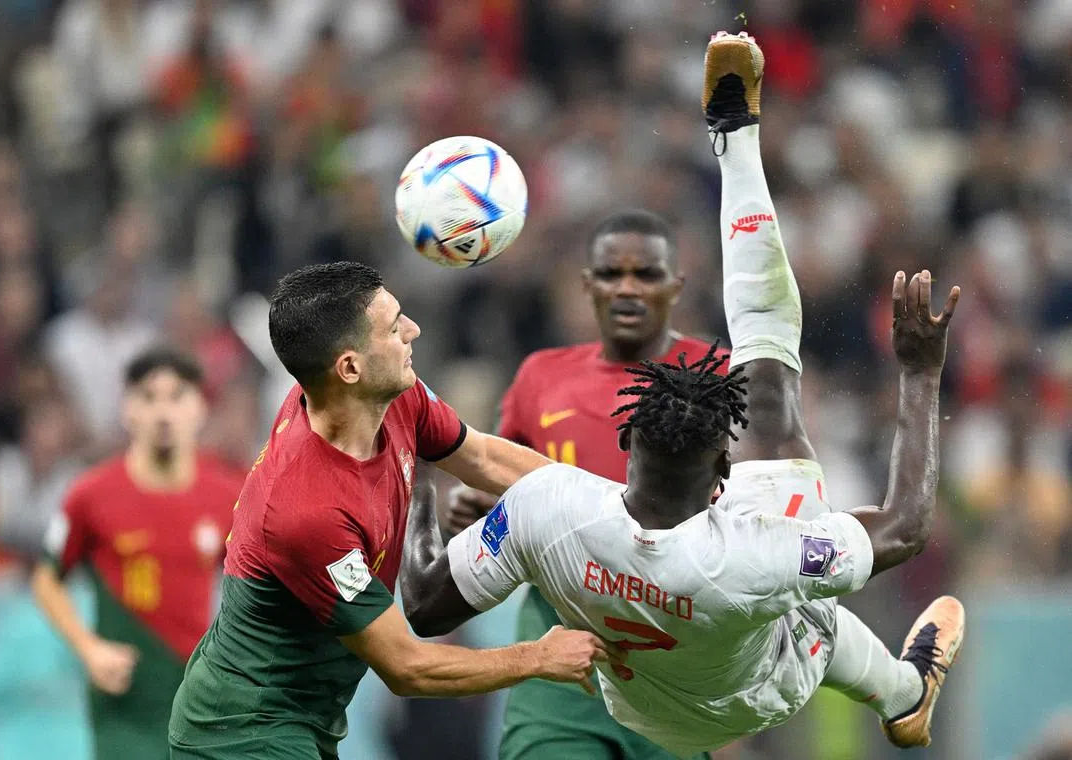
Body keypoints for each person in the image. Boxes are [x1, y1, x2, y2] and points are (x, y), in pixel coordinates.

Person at [400, 31, 965, 758]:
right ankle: (904, 693)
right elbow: (905, 527)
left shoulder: (548, 508)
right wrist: (920, 373)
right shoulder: (756, 553)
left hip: (629, 697)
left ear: (626, 441)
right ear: (722, 479)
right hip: (745, 701)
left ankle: (905, 695)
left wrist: (418, 485)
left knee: (775, 452)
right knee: (787, 456)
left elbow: (422, 605)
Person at [168, 262, 614, 760]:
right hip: (241, 731)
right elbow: (406, 667)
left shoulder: (390, 397)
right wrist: (538, 656)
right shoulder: (306, 511)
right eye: (394, 325)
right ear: (350, 368)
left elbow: (485, 458)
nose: (413, 331)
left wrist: (610, 507)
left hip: (303, 720)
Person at [444, 208, 716, 760]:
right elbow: (504, 489)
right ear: (587, 284)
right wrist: (476, 512)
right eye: (612, 274)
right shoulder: (540, 377)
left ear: (677, 286)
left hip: (670, 653)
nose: (628, 289)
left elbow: (738, 503)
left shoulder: (712, 374)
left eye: (646, 274)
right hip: (560, 646)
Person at [32, 347, 244, 760]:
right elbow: (46, 579)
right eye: (149, 397)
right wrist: (88, 648)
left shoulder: (227, 497)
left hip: (196, 700)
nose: (163, 412)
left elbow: (256, 584)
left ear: (200, 409)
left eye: (177, 396)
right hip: (122, 706)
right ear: (128, 410)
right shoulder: (91, 495)